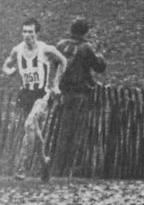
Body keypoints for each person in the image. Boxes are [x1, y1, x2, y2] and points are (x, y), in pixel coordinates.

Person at [2, 18, 67, 181]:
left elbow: (63, 61)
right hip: (26, 95)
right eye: (24, 32)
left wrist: (56, 84)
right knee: (35, 133)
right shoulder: (17, 50)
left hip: (42, 95)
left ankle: (21, 168)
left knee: (29, 124)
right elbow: (6, 65)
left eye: (30, 32)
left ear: (37, 33)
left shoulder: (46, 49)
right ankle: (45, 163)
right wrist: (10, 71)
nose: (27, 35)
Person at [53, 17, 107, 172]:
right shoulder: (86, 47)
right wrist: (100, 55)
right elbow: (99, 67)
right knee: (77, 129)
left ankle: (57, 164)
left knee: (63, 128)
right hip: (79, 93)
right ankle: (71, 165)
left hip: (63, 93)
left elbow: (55, 65)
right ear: (85, 31)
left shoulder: (61, 45)